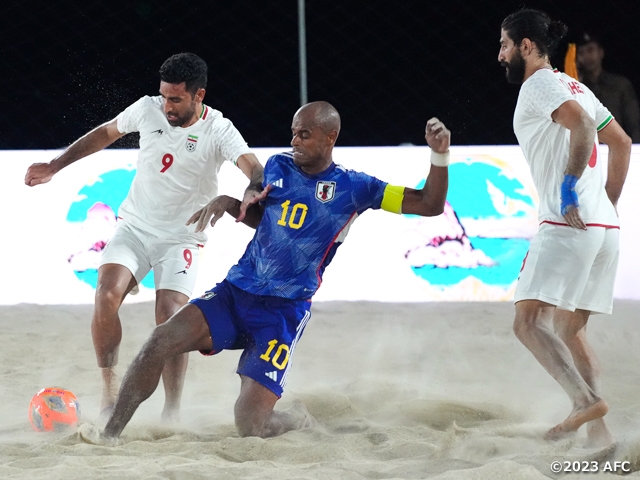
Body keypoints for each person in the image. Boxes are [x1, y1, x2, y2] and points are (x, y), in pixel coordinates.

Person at [78, 100, 450, 443]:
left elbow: (429, 204)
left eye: (304, 133)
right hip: (235, 293)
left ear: (330, 136)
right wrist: (229, 202)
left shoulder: (357, 188)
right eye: (293, 132)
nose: (295, 140)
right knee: (159, 342)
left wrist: (439, 156)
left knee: (249, 425)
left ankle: (296, 420)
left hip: (282, 312)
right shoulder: (278, 166)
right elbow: (261, 219)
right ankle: (110, 434)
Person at [24, 53, 264, 423]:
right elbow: (105, 133)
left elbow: (252, 166)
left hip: (182, 237)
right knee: (105, 294)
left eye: (176, 99)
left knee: (169, 318)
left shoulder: (218, 128)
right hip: (135, 226)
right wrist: (55, 166)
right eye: (164, 96)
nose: (167, 106)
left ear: (199, 95)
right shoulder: (148, 109)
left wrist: (252, 189)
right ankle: (109, 390)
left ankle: (172, 411)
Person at [498, 9, 632, 446]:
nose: (500, 55)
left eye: (504, 45)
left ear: (527, 46)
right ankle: (599, 433)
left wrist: (571, 188)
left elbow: (585, 127)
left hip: (568, 220)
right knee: (570, 329)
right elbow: (622, 143)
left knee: (526, 322)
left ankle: (583, 401)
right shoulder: (579, 86)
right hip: (604, 229)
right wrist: (607, 206)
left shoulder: (538, 84)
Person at [576, 32, 640, 142]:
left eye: (590, 50)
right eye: (581, 52)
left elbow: (634, 124)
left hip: (617, 145)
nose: (586, 56)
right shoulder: (576, 86)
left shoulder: (620, 85)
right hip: (588, 148)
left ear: (601, 52)